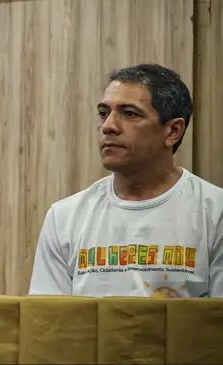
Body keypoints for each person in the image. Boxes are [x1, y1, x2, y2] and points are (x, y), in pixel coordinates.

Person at [29, 63, 223, 298]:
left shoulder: (215, 213)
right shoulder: (64, 218)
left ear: (173, 131)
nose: (108, 126)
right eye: (104, 113)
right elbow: (49, 317)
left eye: (130, 113)